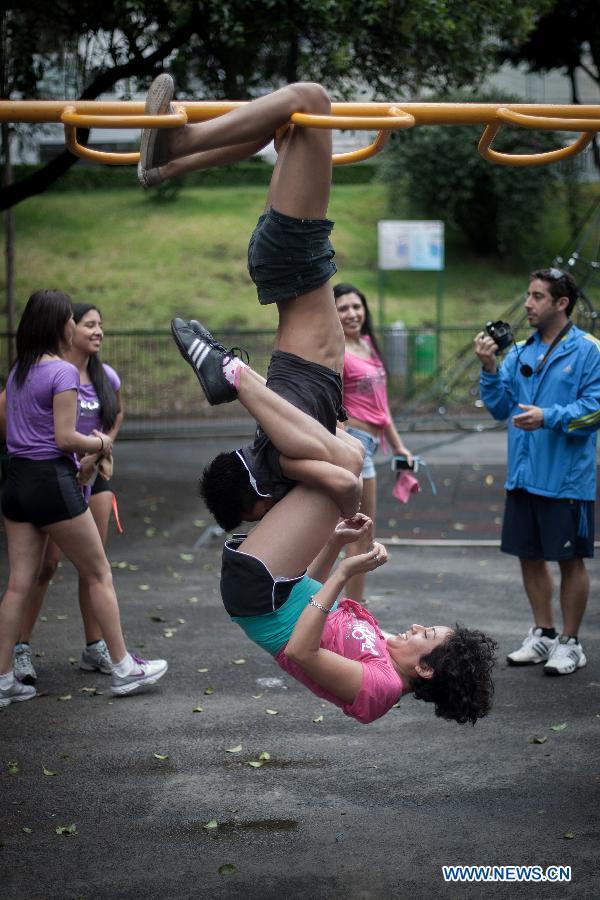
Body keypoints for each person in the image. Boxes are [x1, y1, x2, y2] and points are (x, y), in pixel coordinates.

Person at [141, 74, 496, 724]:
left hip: (260, 588)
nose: (418, 627)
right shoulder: (382, 652)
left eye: (428, 638)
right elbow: (315, 600)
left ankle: (231, 373)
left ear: (426, 668)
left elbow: (303, 648)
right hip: (280, 572)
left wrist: (339, 571)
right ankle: (174, 161)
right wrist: (340, 545)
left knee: (311, 102)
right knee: (344, 473)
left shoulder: (380, 691)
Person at [139, 74, 364, 529]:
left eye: (257, 518)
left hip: (295, 263)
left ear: (254, 503)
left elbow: (348, 477)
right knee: (282, 125)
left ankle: (181, 140)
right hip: (293, 265)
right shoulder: (278, 440)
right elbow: (355, 450)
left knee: (311, 98)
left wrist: (346, 522)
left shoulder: (283, 457)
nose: (269, 520)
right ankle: (164, 168)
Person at [0, 289, 167, 707]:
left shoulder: (18, 370)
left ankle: (3, 680)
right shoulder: (62, 373)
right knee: (97, 572)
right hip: (52, 482)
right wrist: (98, 441)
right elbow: (63, 438)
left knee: (18, 584)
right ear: (61, 325)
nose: (79, 326)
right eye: (73, 320)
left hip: (15, 482)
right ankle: (124, 667)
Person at [474, 267, 600, 676]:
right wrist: (490, 367)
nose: (527, 304)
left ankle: (571, 642)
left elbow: (595, 411)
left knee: (570, 561)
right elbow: (498, 408)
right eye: (528, 295)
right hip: (523, 476)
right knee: (528, 556)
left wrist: (549, 416)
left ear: (561, 303)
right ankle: (544, 634)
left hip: (566, 480)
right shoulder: (522, 353)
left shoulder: (589, 351)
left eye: (537, 296)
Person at [11, 303, 124, 685]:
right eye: (86, 323)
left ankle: (96, 647)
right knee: (50, 566)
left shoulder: (105, 376)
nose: (96, 331)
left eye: (100, 325)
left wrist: (102, 450)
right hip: (58, 478)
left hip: (88, 479)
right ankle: (20, 649)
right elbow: (48, 433)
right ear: (66, 328)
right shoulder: (49, 373)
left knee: (91, 567)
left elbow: (115, 415)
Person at [334, 282, 413, 601]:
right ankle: (333, 609)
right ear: (332, 313)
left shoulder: (367, 344)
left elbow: (382, 408)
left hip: (368, 443)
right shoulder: (335, 349)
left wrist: (399, 446)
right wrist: (340, 444)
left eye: (356, 306)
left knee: (364, 534)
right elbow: (329, 401)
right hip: (351, 444)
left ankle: (355, 609)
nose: (352, 313)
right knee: (348, 533)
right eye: (343, 308)